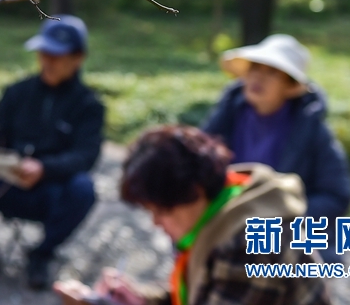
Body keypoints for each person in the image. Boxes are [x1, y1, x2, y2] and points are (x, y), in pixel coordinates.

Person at [54, 125, 332, 305]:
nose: (156, 222)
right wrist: (140, 299)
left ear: (195, 191)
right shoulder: (221, 210)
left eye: (162, 210)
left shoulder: (248, 242)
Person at [0, 15, 105, 290]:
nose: (48, 61)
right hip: (7, 185)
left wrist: (44, 168)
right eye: (45, 53)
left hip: (50, 193)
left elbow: (85, 156)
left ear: (77, 58)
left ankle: (42, 253)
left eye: (57, 55)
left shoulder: (89, 106)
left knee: (84, 189)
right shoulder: (17, 93)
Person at [202, 34, 350, 263]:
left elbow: (336, 194)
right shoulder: (227, 115)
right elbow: (200, 166)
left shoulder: (311, 130)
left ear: (290, 85)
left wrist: (282, 219)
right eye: (254, 68)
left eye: (272, 72)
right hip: (227, 224)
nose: (257, 77)